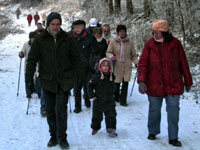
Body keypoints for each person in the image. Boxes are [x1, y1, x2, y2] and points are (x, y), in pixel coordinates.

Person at [25, 12, 81, 149]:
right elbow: (32, 59)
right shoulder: (40, 39)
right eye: (53, 24)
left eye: (58, 24)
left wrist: (77, 77)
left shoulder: (67, 39)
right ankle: (53, 136)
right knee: (50, 111)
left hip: (64, 80)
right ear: (48, 24)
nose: (56, 27)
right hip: (47, 80)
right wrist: (29, 78)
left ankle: (62, 138)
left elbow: (76, 58)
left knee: (61, 110)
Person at [137, 19, 193, 147]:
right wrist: (141, 80)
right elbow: (143, 64)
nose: (155, 34)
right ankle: (153, 131)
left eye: (158, 32)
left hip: (173, 83)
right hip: (154, 83)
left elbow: (183, 64)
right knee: (154, 109)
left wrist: (188, 81)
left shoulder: (176, 44)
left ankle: (173, 137)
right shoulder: (149, 45)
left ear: (165, 32)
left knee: (173, 111)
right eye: (154, 32)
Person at [106, 24, 138, 106]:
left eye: (123, 31)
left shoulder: (130, 42)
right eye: (120, 31)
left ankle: (123, 101)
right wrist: (111, 57)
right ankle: (116, 97)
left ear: (125, 32)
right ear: (118, 32)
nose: (122, 33)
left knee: (125, 82)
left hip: (127, 65)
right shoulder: (113, 41)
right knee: (116, 83)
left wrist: (136, 62)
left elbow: (134, 54)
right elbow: (108, 52)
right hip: (117, 65)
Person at [88, 57, 117, 137]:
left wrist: (114, 92)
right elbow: (90, 86)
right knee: (97, 116)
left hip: (109, 100)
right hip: (98, 99)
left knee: (111, 115)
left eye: (107, 66)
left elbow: (114, 87)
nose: (105, 68)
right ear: (100, 67)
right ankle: (95, 128)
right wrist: (92, 95)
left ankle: (111, 129)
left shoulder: (112, 76)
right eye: (103, 66)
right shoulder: (96, 76)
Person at [69, 20, 93, 113]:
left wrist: (91, 63)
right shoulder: (69, 37)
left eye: (79, 26)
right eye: (75, 27)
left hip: (87, 67)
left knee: (87, 86)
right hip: (75, 67)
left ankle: (87, 100)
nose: (77, 29)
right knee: (76, 88)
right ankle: (77, 107)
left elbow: (92, 51)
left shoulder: (89, 37)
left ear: (83, 27)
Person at [19, 32, 36, 98]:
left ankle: (35, 90)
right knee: (28, 79)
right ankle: (28, 93)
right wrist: (21, 54)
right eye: (32, 38)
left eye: (35, 38)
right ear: (30, 38)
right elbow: (23, 52)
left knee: (36, 78)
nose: (34, 39)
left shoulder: (38, 44)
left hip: (36, 64)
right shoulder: (26, 44)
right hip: (28, 64)